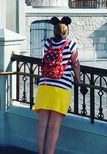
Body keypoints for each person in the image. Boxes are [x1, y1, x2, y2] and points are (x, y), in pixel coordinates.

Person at [34, 16, 82, 154]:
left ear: (54, 31)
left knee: (42, 124)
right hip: (62, 87)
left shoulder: (47, 43)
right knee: (54, 126)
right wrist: (78, 80)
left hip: (45, 84)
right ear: (67, 31)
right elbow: (76, 65)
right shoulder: (71, 44)